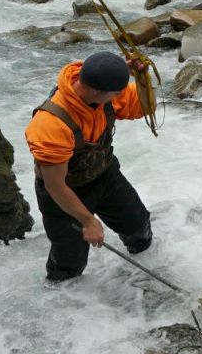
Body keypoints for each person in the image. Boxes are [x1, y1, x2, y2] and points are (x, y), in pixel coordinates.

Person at [25, 50, 154, 282]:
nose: (120, 96)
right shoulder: (50, 125)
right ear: (96, 90)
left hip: (104, 175)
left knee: (138, 226)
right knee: (69, 262)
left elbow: (145, 107)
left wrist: (142, 79)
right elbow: (55, 186)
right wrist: (88, 221)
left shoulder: (103, 91)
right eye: (117, 92)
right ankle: (60, 293)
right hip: (64, 190)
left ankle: (149, 263)